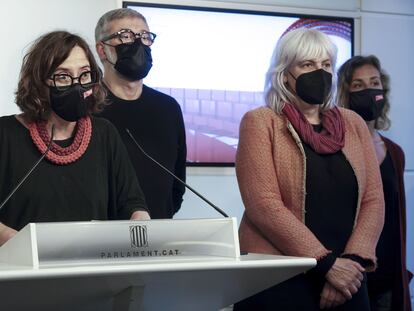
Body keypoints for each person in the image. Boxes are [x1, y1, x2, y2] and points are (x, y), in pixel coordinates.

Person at [234, 28, 385, 310]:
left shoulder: (352, 123)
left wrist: (351, 263)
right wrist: (326, 265)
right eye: (307, 64)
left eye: (326, 64)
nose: (320, 72)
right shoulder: (261, 122)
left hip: (349, 280)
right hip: (282, 278)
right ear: (284, 74)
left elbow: (373, 199)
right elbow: (263, 205)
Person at [0, 31, 150, 246]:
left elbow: (132, 203)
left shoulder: (104, 133)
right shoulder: (5, 134)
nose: (77, 84)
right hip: (23, 271)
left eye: (85, 74)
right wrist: (21, 244)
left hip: (93, 272)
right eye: (62, 76)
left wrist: (141, 223)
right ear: (38, 81)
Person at [94, 8, 186, 219]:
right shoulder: (86, 107)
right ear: (102, 50)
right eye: (125, 36)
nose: (137, 44)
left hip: (158, 235)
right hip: (100, 238)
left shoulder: (168, 108)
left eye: (144, 37)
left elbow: (177, 183)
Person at [337, 55, 412, 311]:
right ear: (346, 94)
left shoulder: (395, 153)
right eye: (358, 86)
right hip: (346, 278)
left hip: (387, 283)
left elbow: (396, 221)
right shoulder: (334, 148)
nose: (369, 91)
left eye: (374, 83)